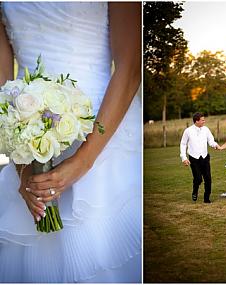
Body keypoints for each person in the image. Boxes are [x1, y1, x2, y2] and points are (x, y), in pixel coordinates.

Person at [0, 2, 141, 283]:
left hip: (105, 132)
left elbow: (131, 64)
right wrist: (24, 169)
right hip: (26, 129)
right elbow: (2, 87)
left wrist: (83, 161)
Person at [180, 112, 220, 203]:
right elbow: (183, 144)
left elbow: (211, 140)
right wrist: (184, 157)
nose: (204, 121)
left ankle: (206, 198)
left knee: (208, 178)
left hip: (205, 157)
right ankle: (195, 191)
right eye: (202, 120)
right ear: (196, 121)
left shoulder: (206, 129)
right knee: (198, 178)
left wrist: (215, 145)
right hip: (194, 158)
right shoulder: (188, 131)